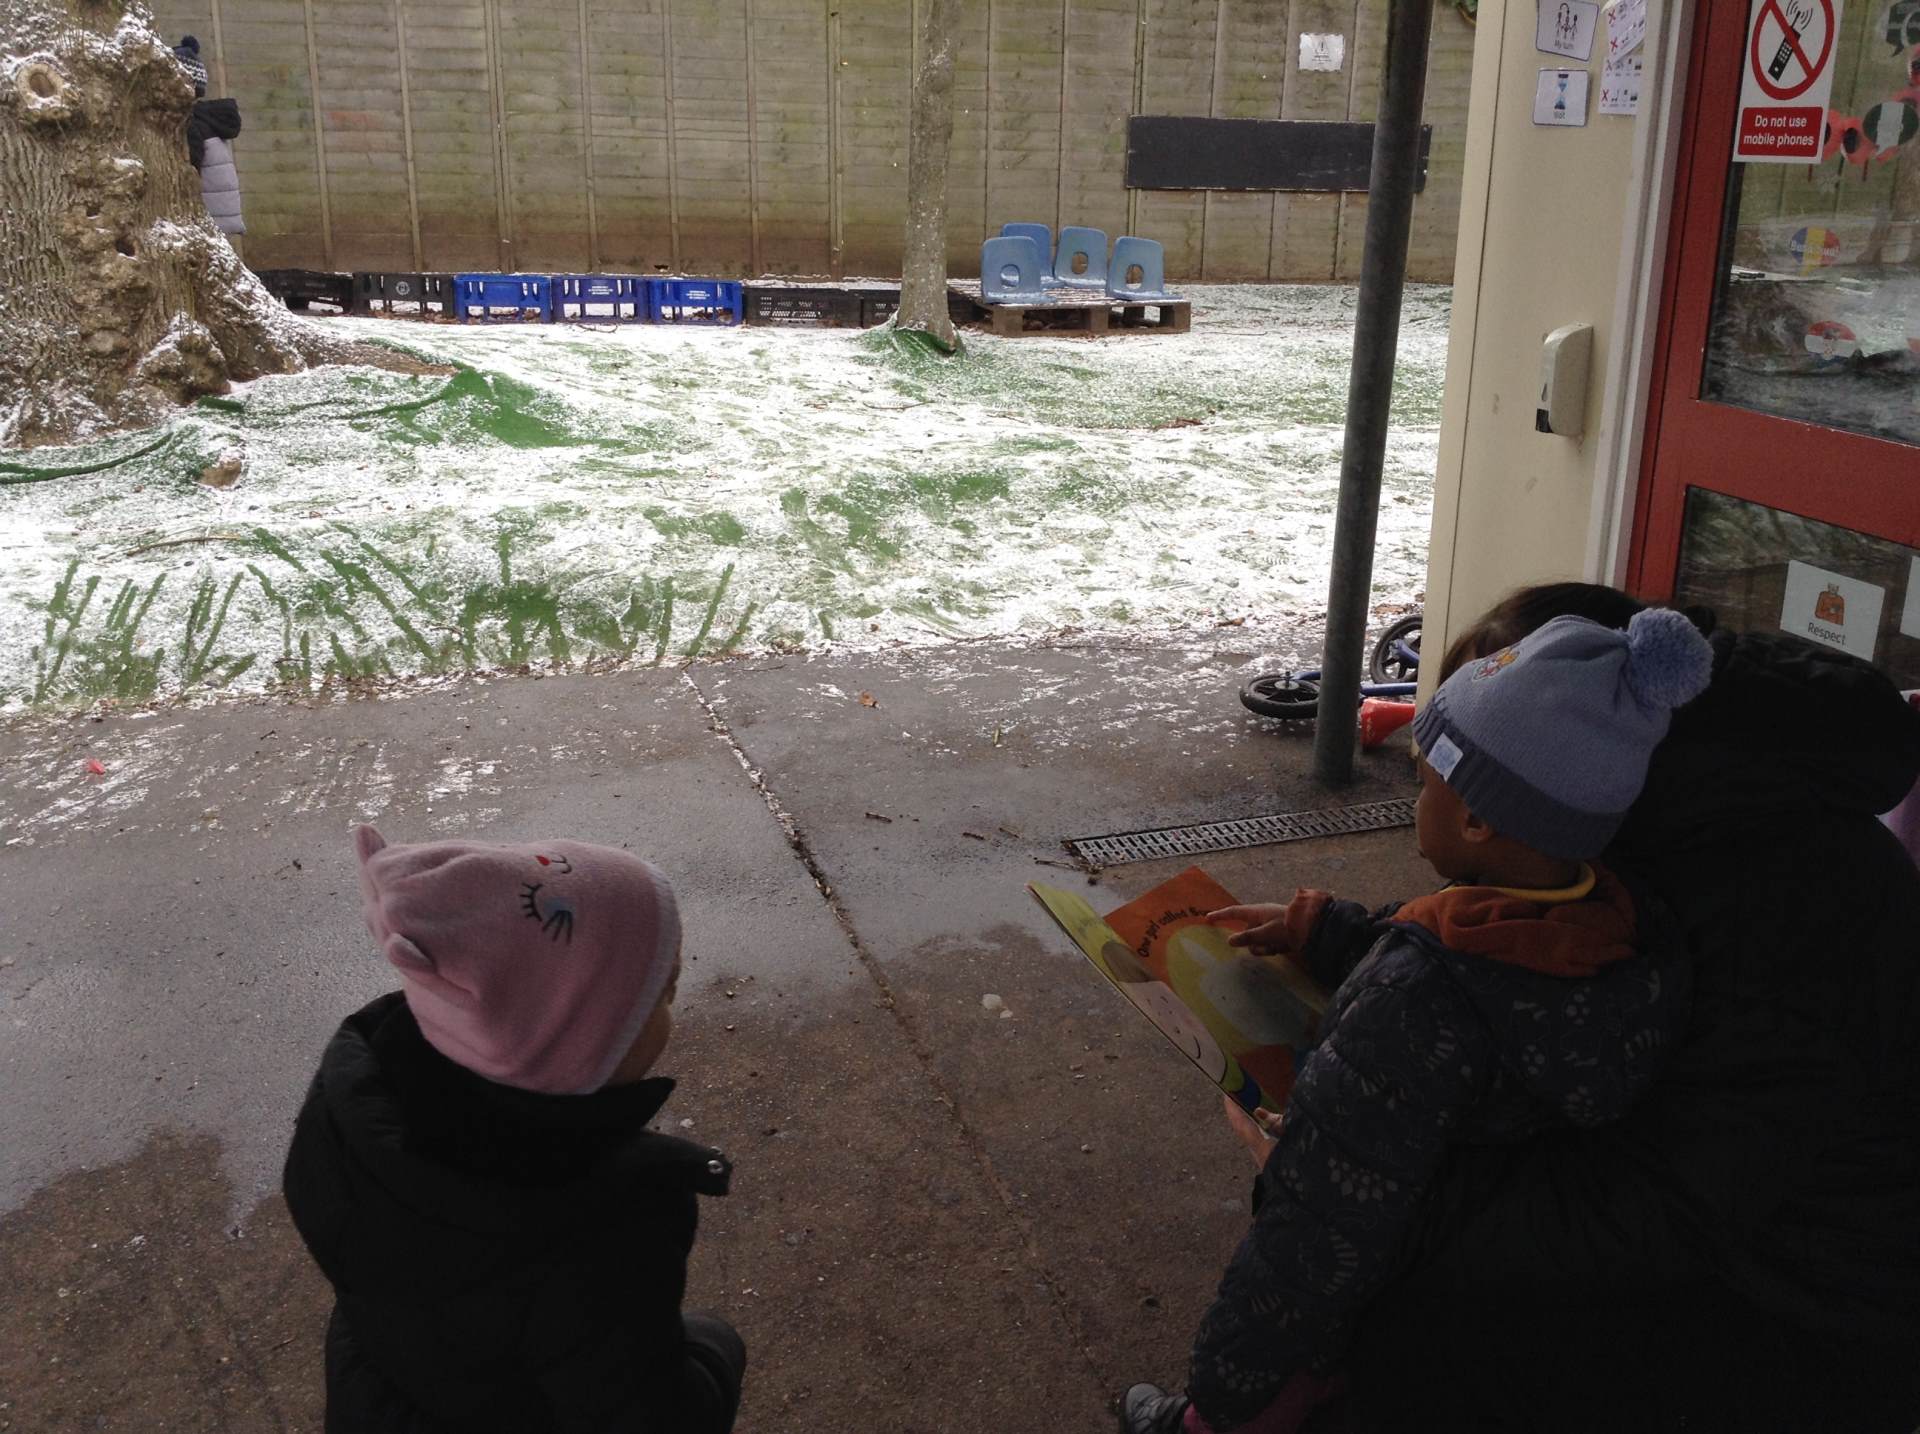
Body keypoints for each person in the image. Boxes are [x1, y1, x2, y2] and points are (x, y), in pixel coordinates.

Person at [1327, 585, 1920, 1433]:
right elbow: (1516, 933)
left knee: (1416, 1312)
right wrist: (1339, 940)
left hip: (1808, 1317)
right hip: (1723, 1237)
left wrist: (1378, 1187)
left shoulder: (1784, 908)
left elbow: (1652, 1211)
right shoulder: (1656, 809)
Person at [1120, 607, 1716, 1434]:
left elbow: (1318, 1224)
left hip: (1380, 1299)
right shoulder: (1625, 928)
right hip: (1484, 1308)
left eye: (1425, 780)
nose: (1413, 798)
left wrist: (1218, 1396)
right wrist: (1325, 933)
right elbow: (1472, 942)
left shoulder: (1416, 1001)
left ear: (1476, 819)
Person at [282, 827, 747, 1434]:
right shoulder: (602, 1230)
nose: (674, 1003)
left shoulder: (357, 1129)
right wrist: (715, 1351)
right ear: (579, 1043)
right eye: (664, 991)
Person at [176, 36, 246, 254]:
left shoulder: (192, 125)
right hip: (221, 212)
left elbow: (189, 167)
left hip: (210, 213)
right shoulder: (208, 119)